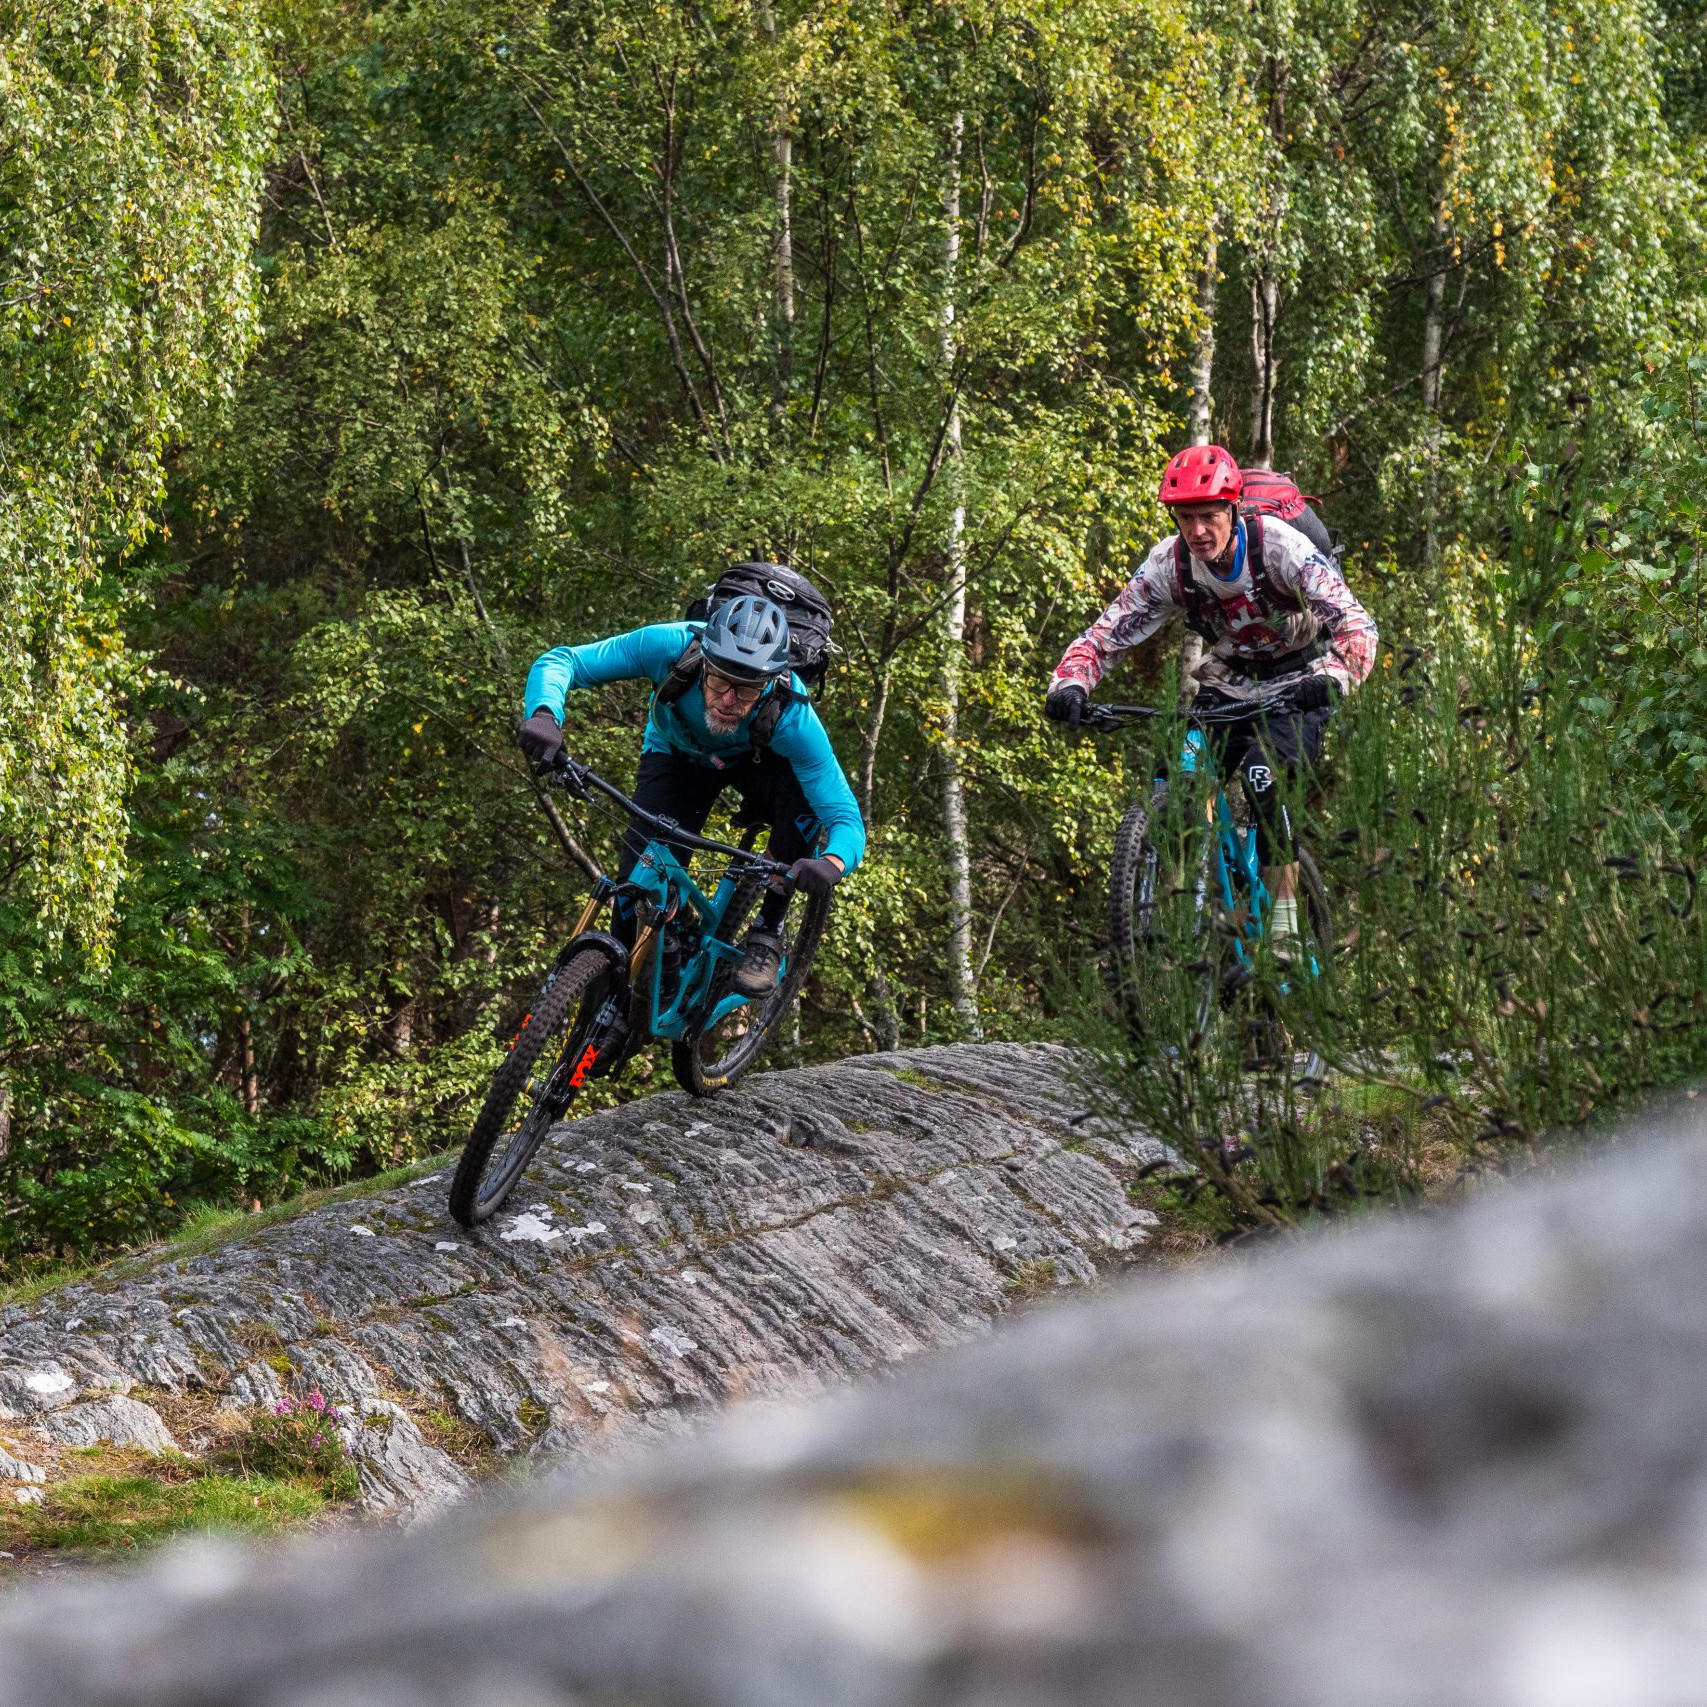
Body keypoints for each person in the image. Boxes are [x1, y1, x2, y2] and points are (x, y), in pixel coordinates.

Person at [1045, 444, 1377, 946]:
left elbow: (1356, 625)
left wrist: (1335, 675)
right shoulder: (1170, 565)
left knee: (1266, 777)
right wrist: (1070, 683)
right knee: (1177, 772)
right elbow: (1107, 633)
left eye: (1208, 516)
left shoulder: (1280, 548)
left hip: (1299, 680)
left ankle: (1285, 930)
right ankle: (1201, 912)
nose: (1197, 531)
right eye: (1186, 518)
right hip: (1228, 680)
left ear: (1233, 510)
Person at [517, 594, 864, 995]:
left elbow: (845, 817)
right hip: (676, 754)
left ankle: (767, 931)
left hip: (758, 763)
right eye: (719, 681)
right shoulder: (669, 646)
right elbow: (564, 661)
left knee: (803, 804)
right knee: (632, 895)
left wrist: (834, 862)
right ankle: (617, 1004)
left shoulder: (792, 713)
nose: (728, 700)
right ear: (703, 661)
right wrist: (544, 715)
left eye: (747, 690)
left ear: (769, 683)